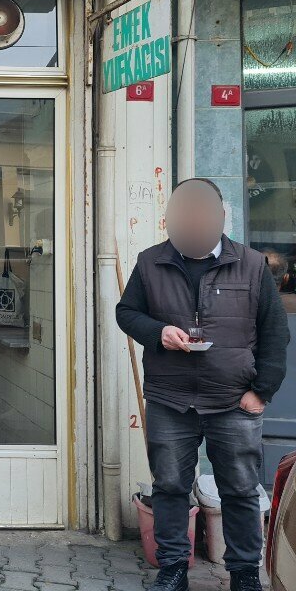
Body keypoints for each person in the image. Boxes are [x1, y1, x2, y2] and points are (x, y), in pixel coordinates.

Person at [116, 178, 289, 591]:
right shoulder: (150, 262)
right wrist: (158, 332)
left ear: (220, 216)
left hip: (233, 400)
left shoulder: (251, 264)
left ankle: (244, 573)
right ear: (170, 218)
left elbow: (275, 333)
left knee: (241, 490)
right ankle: (173, 567)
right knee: (170, 487)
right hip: (169, 398)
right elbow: (127, 313)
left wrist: (261, 391)